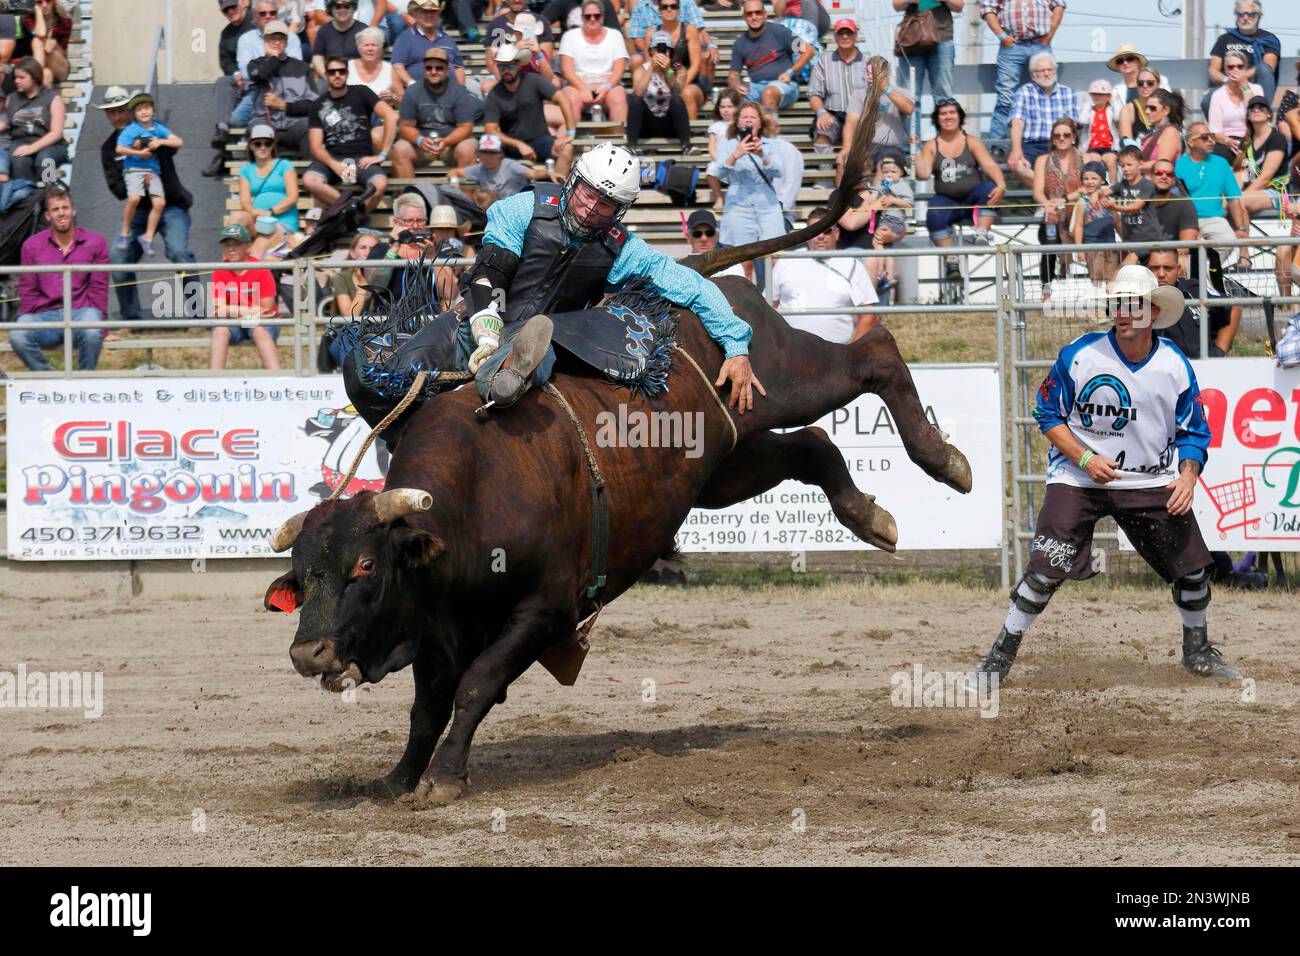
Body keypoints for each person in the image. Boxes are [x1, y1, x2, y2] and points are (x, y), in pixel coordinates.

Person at [348, 142, 764, 426]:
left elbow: (692, 286)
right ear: (573, 181)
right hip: (472, 323)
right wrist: (486, 331)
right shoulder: (522, 209)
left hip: (541, 344)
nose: (590, 208)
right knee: (377, 375)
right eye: (586, 193)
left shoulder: (624, 249)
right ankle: (405, 432)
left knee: (532, 353)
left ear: (621, 210)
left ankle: (505, 378)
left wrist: (736, 345)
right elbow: (489, 272)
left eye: (606, 204)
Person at [972, 264, 1236, 683]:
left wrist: (1187, 477)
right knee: (1043, 571)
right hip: (1078, 479)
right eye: (1116, 304)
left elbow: (1194, 432)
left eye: (1132, 305)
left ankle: (1197, 652)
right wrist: (1084, 458)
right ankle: (997, 660)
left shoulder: (1173, 365)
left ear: (1152, 312)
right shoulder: (1080, 354)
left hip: (1148, 479)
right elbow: (1047, 414)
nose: (1123, 312)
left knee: (1194, 572)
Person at [94, 86, 197, 324]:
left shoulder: (153, 131)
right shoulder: (109, 148)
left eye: (121, 110)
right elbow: (118, 190)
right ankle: (131, 320)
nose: (117, 116)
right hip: (139, 210)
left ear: (131, 111)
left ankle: (197, 318)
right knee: (118, 261)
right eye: (111, 113)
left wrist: (154, 145)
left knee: (180, 253)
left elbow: (175, 146)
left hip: (172, 205)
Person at [9, 188, 109, 372]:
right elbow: (28, 289)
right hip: (45, 315)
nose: (61, 213)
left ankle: (86, 383)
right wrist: (27, 319)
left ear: (74, 210)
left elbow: (99, 290)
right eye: (56, 209)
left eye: (65, 207)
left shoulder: (96, 242)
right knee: (18, 335)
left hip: (81, 313)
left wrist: (101, 327)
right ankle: (52, 382)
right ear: (47, 216)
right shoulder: (31, 245)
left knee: (92, 330)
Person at [915, 97, 1005, 280]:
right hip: (946, 200)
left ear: (959, 117)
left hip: (973, 199)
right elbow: (923, 174)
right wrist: (917, 150)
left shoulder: (971, 141)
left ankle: (981, 234)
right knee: (933, 212)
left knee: (990, 187)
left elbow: (989, 165)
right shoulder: (931, 145)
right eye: (943, 113)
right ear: (937, 118)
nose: (948, 117)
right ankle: (951, 261)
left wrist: (1002, 185)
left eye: (952, 113)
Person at [302, 54, 396, 213]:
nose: (337, 75)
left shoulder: (361, 92)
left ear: (347, 73)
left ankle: (356, 215)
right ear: (326, 75)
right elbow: (316, 147)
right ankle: (350, 209)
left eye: (341, 71)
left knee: (380, 184)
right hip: (333, 159)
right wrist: (334, 164)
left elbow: (390, 116)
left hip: (361, 158)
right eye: (332, 72)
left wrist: (382, 155)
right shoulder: (318, 105)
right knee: (309, 180)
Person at [771, 205, 877, 342]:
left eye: (827, 231)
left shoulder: (853, 265)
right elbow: (769, 306)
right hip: (791, 351)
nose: (820, 236)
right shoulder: (785, 262)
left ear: (837, 234)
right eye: (815, 231)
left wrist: (851, 351)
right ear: (806, 234)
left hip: (837, 352)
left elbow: (868, 314)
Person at [979, 0, 1065, 156]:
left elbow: (1059, 5)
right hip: (1012, 45)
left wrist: (1050, 35)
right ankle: (997, 147)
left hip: (1040, 42)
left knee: (1047, 93)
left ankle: (1051, 141)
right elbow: (987, 9)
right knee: (1005, 97)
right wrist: (1002, 36)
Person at [483, 43, 578, 179]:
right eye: (502, 66)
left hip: (540, 140)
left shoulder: (533, 80)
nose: (506, 70)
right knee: (488, 153)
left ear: (519, 65)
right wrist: (518, 144)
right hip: (511, 146)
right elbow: (490, 130)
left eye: (510, 66)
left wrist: (571, 133)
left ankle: (558, 193)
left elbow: (563, 98)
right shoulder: (494, 94)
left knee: (567, 149)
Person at [717, 99, 785, 286]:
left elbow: (779, 170)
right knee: (743, 263)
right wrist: (736, 154)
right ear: (737, 121)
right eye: (744, 116)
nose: (748, 120)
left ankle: (771, 301)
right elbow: (719, 173)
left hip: (767, 206)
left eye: (753, 116)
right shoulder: (728, 144)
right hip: (738, 205)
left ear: (760, 121)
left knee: (772, 259)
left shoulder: (771, 144)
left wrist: (762, 154)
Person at [390, 47, 479, 176]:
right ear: (424, 69)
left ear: (447, 69)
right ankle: (408, 195)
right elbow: (405, 126)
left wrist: (446, 141)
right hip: (421, 145)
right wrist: (419, 140)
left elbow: (466, 127)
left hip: (452, 144)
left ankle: (464, 196)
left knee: (468, 148)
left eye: (439, 68)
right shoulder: (412, 91)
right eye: (429, 68)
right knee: (399, 148)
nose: (433, 71)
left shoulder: (459, 91)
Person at [114, 91, 182, 258]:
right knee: (134, 198)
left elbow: (178, 142)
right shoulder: (132, 129)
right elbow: (120, 148)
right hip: (134, 169)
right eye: (139, 109)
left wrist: (161, 141)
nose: (144, 112)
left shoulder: (158, 128)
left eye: (147, 108)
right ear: (134, 114)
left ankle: (148, 237)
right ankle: (124, 231)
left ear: (153, 109)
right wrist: (138, 153)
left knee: (159, 203)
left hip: (152, 171)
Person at [838, 148, 913, 294]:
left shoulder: (883, 190)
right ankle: (883, 274)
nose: (861, 174)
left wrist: (892, 235)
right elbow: (850, 223)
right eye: (854, 170)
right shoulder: (839, 196)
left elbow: (901, 227)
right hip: (855, 258)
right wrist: (875, 205)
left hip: (881, 246)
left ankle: (885, 276)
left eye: (865, 169)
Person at [210, 223, 282, 371]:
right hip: (235, 319)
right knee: (220, 330)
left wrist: (235, 311)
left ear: (248, 246)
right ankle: (213, 381)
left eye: (236, 244)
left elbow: (266, 310)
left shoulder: (261, 269)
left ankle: (277, 379)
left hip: (259, 320)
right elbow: (218, 309)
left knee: (260, 330)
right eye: (226, 245)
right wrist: (247, 311)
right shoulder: (219, 270)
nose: (230, 249)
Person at [1176, 122, 1248, 267]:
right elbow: (1177, 200)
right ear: (1191, 142)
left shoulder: (1221, 164)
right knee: (1182, 256)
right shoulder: (1179, 165)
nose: (1211, 140)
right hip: (1186, 221)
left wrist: (1240, 228)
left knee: (1229, 239)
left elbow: (1233, 199)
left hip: (1214, 219)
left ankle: (1206, 276)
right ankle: (1202, 279)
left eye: (1212, 136)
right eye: (1205, 137)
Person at [1146, 247, 1238, 359]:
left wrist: (1219, 351)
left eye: (1168, 268)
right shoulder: (1138, 299)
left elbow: (1234, 307)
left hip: (1202, 368)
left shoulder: (1195, 291)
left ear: (1178, 269)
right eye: (1154, 268)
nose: (1161, 274)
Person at [1006, 51, 1079, 188]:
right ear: (1034, 75)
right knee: (1017, 165)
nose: (1047, 74)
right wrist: (1016, 149)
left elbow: (1072, 125)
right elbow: (1017, 122)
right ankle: (1057, 192)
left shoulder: (1067, 92)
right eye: (1042, 70)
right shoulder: (1024, 92)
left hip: (1059, 143)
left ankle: (1047, 202)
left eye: (1050, 70)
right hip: (1031, 145)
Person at [246, 18, 320, 154]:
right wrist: (273, 57)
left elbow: (314, 104)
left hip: (295, 123)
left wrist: (285, 106)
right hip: (265, 122)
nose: (277, 42)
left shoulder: (301, 67)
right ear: (265, 41)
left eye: (280, 39)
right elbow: (260, 76)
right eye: (272, 38)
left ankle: (312, 172)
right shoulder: (255, 65)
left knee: (311, 128)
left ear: (286, 42)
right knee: (258, 131)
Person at [891, 0, 961, 140]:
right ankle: (912, 150)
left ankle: (945, 146)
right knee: (910, 97)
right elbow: (896, 5)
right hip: (912, 37)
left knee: (944, 97)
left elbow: (959, 6)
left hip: (943, 38)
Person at [728, 0, 812, 114]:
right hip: (755, 87)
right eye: (749, 13)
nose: (754, 17)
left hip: (785, 86)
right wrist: (736, 85)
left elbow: (808, 51)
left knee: (768, 93)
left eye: (758, 12)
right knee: (730, 101)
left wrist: (790, 72)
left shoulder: (780, 32)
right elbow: (733, 74)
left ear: (765, 14)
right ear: (744, 16)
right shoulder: (740, 43)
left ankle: (769, 131)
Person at [838, 56, 914, 174]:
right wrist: (847, 148)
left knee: (887, 163)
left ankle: (881, 191)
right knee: (844, 162)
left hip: (889, 148)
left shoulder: (900, 93)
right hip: (864, 148)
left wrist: (885, 88)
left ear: (886, 73)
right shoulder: (859, 95)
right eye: (868, 73)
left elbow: (909, 109)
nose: (869, 77)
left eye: (873, 73)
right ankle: (844, 192)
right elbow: (851, 123)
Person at [558, 1, 629, 124]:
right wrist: (582, 89)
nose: (592, 19)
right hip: (578, 83)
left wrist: (606, 88)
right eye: (587, 16)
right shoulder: (569, 36)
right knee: (571, 99)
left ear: (602, 17)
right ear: (582, 18)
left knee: (619, 97)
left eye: (596, 16)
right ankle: (571, 140)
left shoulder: (615, 35)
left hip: (608, 83)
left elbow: (619, 69)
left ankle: (618, 139)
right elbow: (567, 70)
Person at [1031, 115, 1082, 284]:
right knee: (1048, 238)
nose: (1062, 138)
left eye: (1066, 135)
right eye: (1057, 135)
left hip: (1079, 212)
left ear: (1074, 137)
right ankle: (1046, 290)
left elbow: (1089, 188)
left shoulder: (1085, 158)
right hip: (1053, 211)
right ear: (1052, 138)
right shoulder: (1042, 160)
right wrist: (1049, 206)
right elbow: (1038, 191)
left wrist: (1066, 199)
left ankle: (1101, 288)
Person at [807, 17, 866, 155]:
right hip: (833, 114)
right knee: (823, 129)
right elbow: (814, 94)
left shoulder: (868, 61)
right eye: (841, 33)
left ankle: (860, 172)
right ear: (835, 37)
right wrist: (822, 113)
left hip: (860, 115)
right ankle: (824, 171)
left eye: (849, 33)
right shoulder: (823, 62)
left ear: (855, 36)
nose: (845, 36)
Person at [1206, 1, 1280, 108]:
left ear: (1258, 16)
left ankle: (1263, 112)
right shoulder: (1224, 39)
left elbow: (1268, 67)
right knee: (1207, 99)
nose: (1245, 18)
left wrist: (1241, 77)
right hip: (1228, 85)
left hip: (1254, 85)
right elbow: (1213, 70)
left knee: (1264, 68)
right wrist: (1228, 80)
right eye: (1240, 14)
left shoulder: (1269, 39)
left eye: (1250, 14)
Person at [627, 30, 692, 151]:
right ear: (651, 51)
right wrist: (651, 67)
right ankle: (631, 144)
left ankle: (686, 144)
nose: (662, 53)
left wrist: (668, 70)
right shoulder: (641, 70)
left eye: (666, 50)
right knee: (635, 101)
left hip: (669, 121)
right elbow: (638, 94)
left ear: (670, 52)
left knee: (677, 100)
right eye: (658, 49)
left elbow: (677, 91)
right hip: (648, 121)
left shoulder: (679, 70)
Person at [5, 56, 67, 183]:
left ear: (34, 77)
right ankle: (25, 199)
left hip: (50, 144)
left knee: (46, 160)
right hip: (20, 142)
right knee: (19, 161)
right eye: (15, 77)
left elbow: (56, 133)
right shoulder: (11, 99)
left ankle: (50, 193)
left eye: (22, 77)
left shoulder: (52, 98)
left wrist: (32, 148)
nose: (17, 81)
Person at [643, 0, 706, 120]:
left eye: (673, 6)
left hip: (689, 81)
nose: (669, 9)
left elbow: (695, 65)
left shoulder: (689, 30)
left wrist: (679, 86)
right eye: (664, 6)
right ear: (659, 10)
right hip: (661, 80)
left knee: (686, 93)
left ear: (679, 9)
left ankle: (689, 134)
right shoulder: (651, 33)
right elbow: (649, 65)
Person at [1103, 145, 1165, 266]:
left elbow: (1136, 206)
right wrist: (1096, 195)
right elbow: (1105, 191)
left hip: (1149, 241)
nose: (1125, 169)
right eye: (1122, 166)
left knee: (1122, 271)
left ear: (1140, 164)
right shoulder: (1122, 185)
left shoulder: (1147, 185)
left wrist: (1114, 207)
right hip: (1132, 242)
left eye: (1129, 165)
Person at [449, 132, 558, 198]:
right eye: (484, 152)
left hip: (513, 210)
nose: (488, 156)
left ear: (500, 154)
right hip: (493, 213)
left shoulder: (509, 165)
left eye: (492, 152)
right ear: (479, 154)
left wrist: (548, 173)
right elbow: (453, 172)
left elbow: (533, 174)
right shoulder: (480, 169)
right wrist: (455, 187)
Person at [238, 122, 301, 233]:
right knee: (236, 218)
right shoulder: (246, 171)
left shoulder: (284, 165)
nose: (263, 147)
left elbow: (293, 197)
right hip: (257, 219)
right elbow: (245, 202)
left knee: (263, 239)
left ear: (273, 146)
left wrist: (270, 212)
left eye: (267, 143)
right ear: (251, 146)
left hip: (283, 220)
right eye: (258, 144)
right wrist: (256, 213)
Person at [391, 0, 467, 88]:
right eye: (424, 11)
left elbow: (459, 68)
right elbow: (397, 67)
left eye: (433, 11)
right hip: (417, 95)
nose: (429, 15)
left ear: (438, 15)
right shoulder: (405, 38)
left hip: (449, 94)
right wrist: (412, 84)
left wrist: (460, 90)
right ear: (415, 14)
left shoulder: (448, 39)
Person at [1207, 49, 1262, 164]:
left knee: (1250, 167)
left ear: (1245, 68)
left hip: (1252, 138)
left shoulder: (1256, 89)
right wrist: (1227, 141)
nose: (1235, 70)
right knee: (1217, 160)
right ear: (1225, 70)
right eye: (1231, 67)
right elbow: (1214, 130)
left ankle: (1250, 181)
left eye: (1240, 66)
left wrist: (1245, 87)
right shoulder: (1218, 95)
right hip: (1227, 141)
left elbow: (1256, 115)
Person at [1149, 157, 1199, 278]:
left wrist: (1177, 257)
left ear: (1173, 180)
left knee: (1182, 262)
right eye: (1159, 173)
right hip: (1146, 258)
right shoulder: (1139, 204)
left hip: (1172, 259)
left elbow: (1185, 246)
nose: (1164, 176)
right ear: (1151, 176)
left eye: (1169, 174)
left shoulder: (1184, 204)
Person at [1070, 160, 1116, 286]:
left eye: (1094, 178)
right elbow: (1078, 226)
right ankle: (1098, 306)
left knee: (1112, 281)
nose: (1089, 181)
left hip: (1111, 245)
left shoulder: (1109, 198)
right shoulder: (1082, 202)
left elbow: (1117, 221)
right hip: (1092, 246)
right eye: (1086, 178)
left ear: (1102, 180)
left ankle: (1112, 306)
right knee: (1096, 280)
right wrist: (1079, 249)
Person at [762, 106, 801, 228]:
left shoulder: (788, 150)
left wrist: (778, 210)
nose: (764, 127)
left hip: (780, 216)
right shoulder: (751, 148)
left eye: (767, 123)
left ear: (777, 128)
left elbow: (792, 184)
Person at [704, 88, 742, 209]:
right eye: (722, 107)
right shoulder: (715, 126)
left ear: (737, 107)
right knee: (711, 170)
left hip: (738, 159)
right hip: (720, 160)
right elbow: (712, 146)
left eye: (730, 106)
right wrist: (719, 160)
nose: (726, 110)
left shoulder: (741, 125)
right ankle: (719, 197)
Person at [683, 207, 746, 278]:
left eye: (709, 233)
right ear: (688, 237)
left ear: (717, 236)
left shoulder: (733, 266)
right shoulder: (680, 269)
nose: (704, 238)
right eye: (697, 233)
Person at [311, 0, 367, 78]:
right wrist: (327, 76)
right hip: (331, 76)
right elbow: (317, 58)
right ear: (331, 9)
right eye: (337, 7)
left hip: (357, 78)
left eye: (347, 6)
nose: (342, 10)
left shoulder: (364, 30)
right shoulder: (324, 30)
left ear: (353, 8)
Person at [23, 0, 72, 88]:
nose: (44, 5)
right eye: (39, 2)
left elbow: (62, 53)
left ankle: (34, 78)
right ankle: (40, 100)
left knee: (37, 41)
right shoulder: (28, 19)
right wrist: (38, 12)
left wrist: (55, 44)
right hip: (38, 66)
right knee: (46, 74)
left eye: (48, 1)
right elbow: (41, 33)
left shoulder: (64, 22)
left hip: (59, 67)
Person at [1136, 88, 1184, 175]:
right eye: (1146, 107)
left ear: (1166, 110)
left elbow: (1162, 165)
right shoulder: (1152, 134)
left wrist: (1136, 166)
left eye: (1152, 108)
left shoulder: (1170, 132)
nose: (1147, 111)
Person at [1080, 79, 1118, 184]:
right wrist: (1087, 104)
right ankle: (1094, 186)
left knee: (1111, 160)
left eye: (1101, 95)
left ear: (1108, 96)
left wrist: (1114, 102)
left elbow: (1118, 116)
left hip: (1109, 147)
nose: (1097, 97)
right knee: (1092, 161)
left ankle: (1113, 187)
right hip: (1093, 147)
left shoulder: (1110, 111)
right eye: (1094, 94)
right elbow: (1082, 120)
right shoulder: (1090, 111)